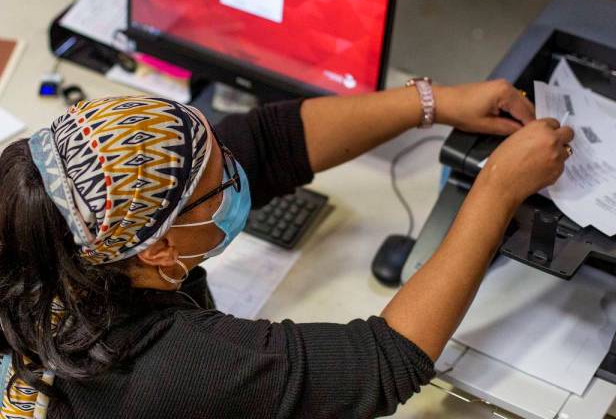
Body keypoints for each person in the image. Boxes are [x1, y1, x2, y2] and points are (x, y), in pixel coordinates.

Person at [0, 80, 573, 418]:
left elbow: (271, 142)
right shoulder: (168, 365)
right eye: (219, 186)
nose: (237, 171)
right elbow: (381, 363)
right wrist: (497, 189)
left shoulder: (49, 219)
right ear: (159, 249)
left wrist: (432, 103)